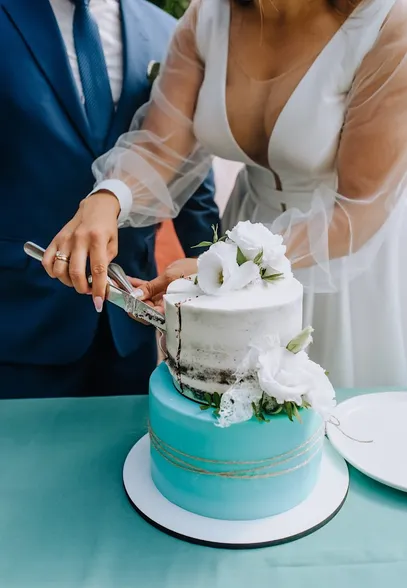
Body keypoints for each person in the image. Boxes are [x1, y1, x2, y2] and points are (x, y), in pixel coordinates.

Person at [43, 0, 407, 388]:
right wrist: (108, 198)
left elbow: (359, 208)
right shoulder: (208, 15)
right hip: (246, 226)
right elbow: (161, 146)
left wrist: (229, 263)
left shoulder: (387, 24)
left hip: (343, 260)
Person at [0, 0, 219, 399]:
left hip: (131, 323)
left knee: (127, 457)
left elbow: (188, 173)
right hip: (18, 318)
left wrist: (217, 276)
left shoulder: (166, 29)